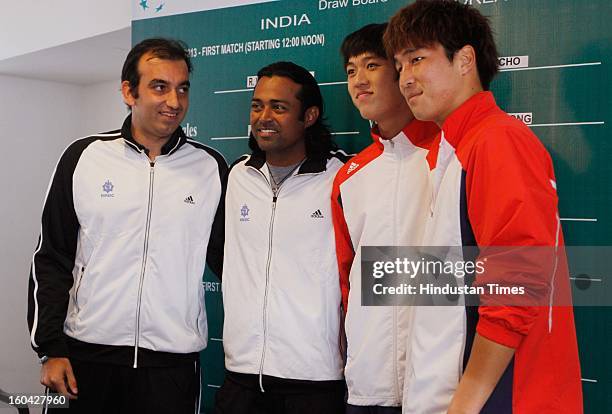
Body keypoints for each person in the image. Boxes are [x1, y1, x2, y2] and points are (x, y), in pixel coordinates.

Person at [384, 1, 583, 412]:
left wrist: (466, 400)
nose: (405, 78)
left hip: (504, 397)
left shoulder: (496, 140)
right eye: (400, 65)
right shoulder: (452, 149)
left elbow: (517, 281)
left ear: (465, 60)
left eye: (417, 59)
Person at [27, 38, 227, 413]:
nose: (174, 102)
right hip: (87, 357)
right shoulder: (83, 157)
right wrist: (50, 348)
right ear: (128, 91)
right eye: (159, 87)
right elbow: (51, 258)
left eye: (182, 88)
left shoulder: (211, 168)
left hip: (172, 364)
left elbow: (235, 263)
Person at [215, 61, 347, 414]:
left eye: (279, 107)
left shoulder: (343, 178)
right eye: (257, 105)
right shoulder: (237, 177)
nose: (263, 117)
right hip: (241, 378)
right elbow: (221, 255)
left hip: (313, 383)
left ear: (309, 115)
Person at [331, 24, 438, 413]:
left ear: (401, 71)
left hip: (435, 387)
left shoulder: (450, 155)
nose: (359, 80)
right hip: (367, 386)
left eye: (371, 65)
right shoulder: (350, 175)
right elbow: (347, 282)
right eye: (350, 70)